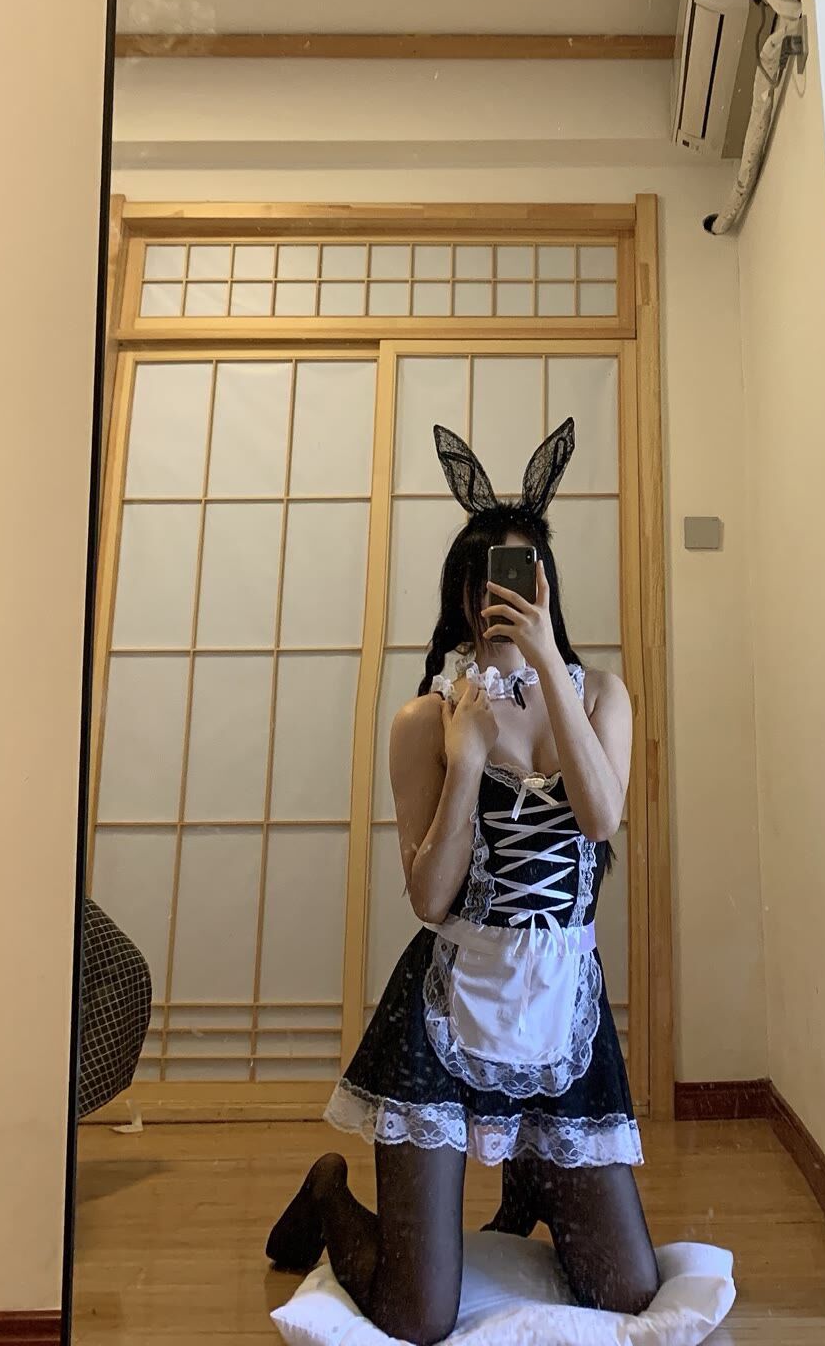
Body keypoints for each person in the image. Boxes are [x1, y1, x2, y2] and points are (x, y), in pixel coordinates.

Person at [266, 418, 659, 1345]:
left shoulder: (601, 695)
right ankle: (328, 1192)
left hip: (562, 1007)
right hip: (448, 1007)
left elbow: (601, 819)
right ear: (460, 595)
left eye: (520, 577)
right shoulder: (425, 721)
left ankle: (535, 1172)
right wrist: (470, 751)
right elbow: (429, 899)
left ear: (547, 586)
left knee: (628, 1289)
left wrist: (549, 662)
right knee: (415, 1315)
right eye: (483, 581)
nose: (499, 597)